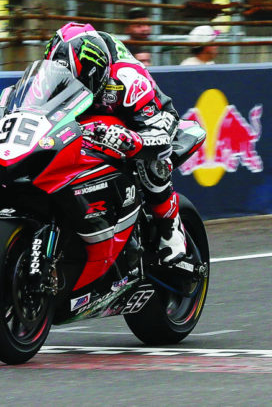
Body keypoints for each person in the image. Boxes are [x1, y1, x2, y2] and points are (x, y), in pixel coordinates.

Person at [44, 22, 186, 264]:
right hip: (88, 117)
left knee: (149, 159)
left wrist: (128, 138)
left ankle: (170, 226)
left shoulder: (127, 78)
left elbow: (159, 139)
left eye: (79, 82)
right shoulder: (53, 70)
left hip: (147, 117)